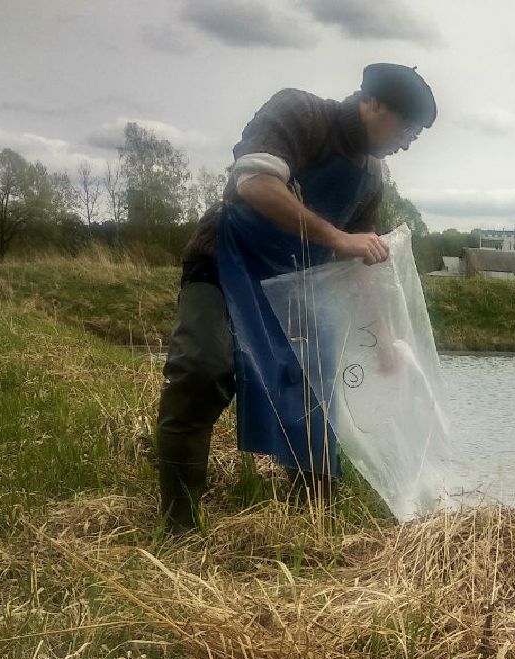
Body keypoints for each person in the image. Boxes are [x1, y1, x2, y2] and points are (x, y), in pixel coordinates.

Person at [155, 63, 437, 532]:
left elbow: (359, 256)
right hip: (225, 264)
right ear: (373, 103)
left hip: (295, 287)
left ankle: (314, 525)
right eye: (406, 128)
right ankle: (178, 525)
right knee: (202, 370)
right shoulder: (300, 113)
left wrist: (382, 335)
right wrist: (335, 236)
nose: (406, 142)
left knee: (312, 398)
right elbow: (256, 184)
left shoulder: (370, 176)